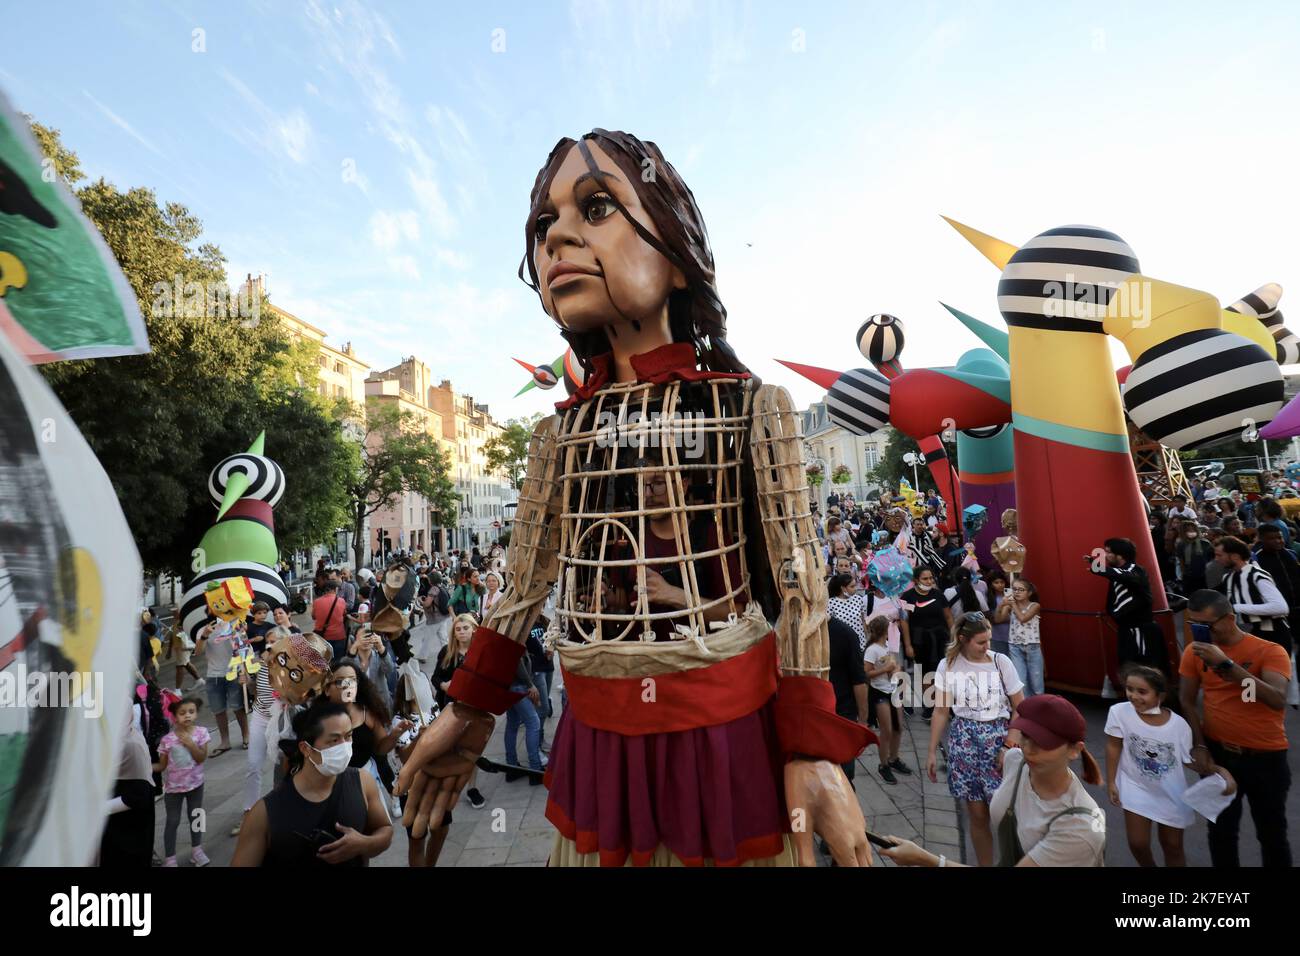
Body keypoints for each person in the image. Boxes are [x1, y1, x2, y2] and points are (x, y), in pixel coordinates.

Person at [883, 694, 1106, 867]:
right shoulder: (1015, 761)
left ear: (1075, 750)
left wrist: (925, 859)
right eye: (1026, 737)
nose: (1029, 749)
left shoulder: (1080, 826)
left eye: (1044, 743)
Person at [1179, 589, 1292, 867]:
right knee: (1221, 833)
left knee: (1272, 834)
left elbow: (1276, 700)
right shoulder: (1195, 652)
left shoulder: (1269, 651)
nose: (1200, 632)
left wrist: (1228, 666)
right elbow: (1186, 699)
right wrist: (1200, 745)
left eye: (1206, 625)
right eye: (1194, 625)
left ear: (1229, 619)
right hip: (1219, 756)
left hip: (1265, 757)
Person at [231, 700, 394, 867]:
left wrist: (364, 844)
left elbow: (385, 830)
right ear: (305, 748)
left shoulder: (363, 781)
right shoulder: (264, 813)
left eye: (348, 736)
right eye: (334, 740)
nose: (344, 747)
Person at [1105, 664, 1232, 867]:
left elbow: (1188, 761)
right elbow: (1113, 746)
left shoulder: (1179, 725)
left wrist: (1219, 771)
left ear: (1160, 696)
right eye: (1130, 689)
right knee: (1137, 843)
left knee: (1172, 846)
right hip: (1134, 786)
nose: (1134, 696)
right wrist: (1112, 781)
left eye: (1142, 691)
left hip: (1171, 794)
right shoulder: (1119, 712)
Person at [928, 612, 1025, 866]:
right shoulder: (948, 665)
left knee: (1006, 815)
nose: (987, 647)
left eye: (989, 641)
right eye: (981, 642)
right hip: (964, 742)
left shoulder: (1000, 662)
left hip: (999, 740)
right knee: (978, 814)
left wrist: (1009, 745)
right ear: (963, 639)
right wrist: (930, 752)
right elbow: (941, 710)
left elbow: (1021, 708)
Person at [1089, 537, 1167, 675]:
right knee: (1128, 669)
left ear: (1120, 555)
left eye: (1108, 552)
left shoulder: (1135, 570)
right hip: (1127, 629)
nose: (1105, 556)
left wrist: (1097, 567)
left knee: (1145, 670)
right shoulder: (1117, 574)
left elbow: (1125, 575)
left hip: (1140, 629)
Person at [431, 614, 486, 808]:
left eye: (465, 628)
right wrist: (445, 685)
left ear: (474, 629)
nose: (462, 632)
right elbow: (435, 678)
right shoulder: (447, 652)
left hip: (476, 707)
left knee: (472, 749)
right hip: (452, 708)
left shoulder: (480, 653)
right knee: (453, 748)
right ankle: (450, 784)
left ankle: (471, 787)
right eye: (458, 629)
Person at [1214, 534, 1293, 656]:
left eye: (1220, 555)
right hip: (1250, 637)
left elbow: (1281, 607)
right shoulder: (1228, 578)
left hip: (1273, 637)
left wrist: (1237, 607)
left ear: (1235, 556)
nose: (1216, 559)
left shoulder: (1257, 575)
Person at [158, 696, 211, 867]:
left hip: (196, 785)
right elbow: (161, 765)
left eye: (191, 712)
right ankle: (170, 859)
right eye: (182, 713)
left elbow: (201, 758)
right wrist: (142, 767)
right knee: (172, 821)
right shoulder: (167, 740)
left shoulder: (201, 733)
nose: (187, 716)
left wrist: (190, 743)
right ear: (174, 716)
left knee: (197, 816)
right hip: (173, 789)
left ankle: (197, 850)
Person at [899, 566, 953, 721]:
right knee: (925, 673)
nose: (929, 581)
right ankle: (929, 707)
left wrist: (954, 638)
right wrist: (908, 645)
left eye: (931, 578)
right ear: (916, 580)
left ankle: (943, 706)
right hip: (919, 641)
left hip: (940, 639)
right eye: (925, 578)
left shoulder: (939, 595)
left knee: (942, 673)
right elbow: (904, 621)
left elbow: (949, 618)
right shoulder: (907, 597)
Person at [862, 616, 910, 784]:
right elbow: (866, 673)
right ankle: (883, 765)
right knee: (886, 731)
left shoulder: (887, 646)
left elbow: (892, 665)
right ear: (884, 631)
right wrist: (885, 669)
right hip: (880, 692)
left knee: (898, 728)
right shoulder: (872, 650)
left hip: (893, 689)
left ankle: (894, 758)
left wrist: (895, 669)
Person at [193, 617, 248, 754]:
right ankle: (225, 741)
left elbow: (244, 649)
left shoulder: (235, 624)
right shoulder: (204, 628)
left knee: (238, 707)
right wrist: (205, 635)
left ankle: (246, 736)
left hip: (234, 672)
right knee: (218, 710)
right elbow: (198, 652)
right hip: (213, 675)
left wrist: (238, 633)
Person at [993, 578, 1044, 697]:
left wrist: (1013, 604)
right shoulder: (1011, 606)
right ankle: (1026, 708)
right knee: (1021, 681)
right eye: (1014, 589)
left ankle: (1040, 709)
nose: (1017, 592)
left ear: (1029, 593)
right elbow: (997, 619)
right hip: (1015, 646)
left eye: (1021, 589)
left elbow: (1023, 618)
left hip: (1032, 646)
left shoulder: (1035, 606)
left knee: (1036, 682)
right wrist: (1001, 605)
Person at [526, 616, 556, 751]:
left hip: (548, 666)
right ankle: (538, 741)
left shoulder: (545, 621)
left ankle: (538, 739)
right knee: (543, 708)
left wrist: (552, 649)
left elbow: (551, 639)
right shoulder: (525, 623)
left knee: (542, 707)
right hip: (536, 670)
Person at [826, 572, 872, 652]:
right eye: (852, 586)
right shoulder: (831, 603)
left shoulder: (858, 599)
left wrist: (868, 639)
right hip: (841, 645)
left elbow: (863, 621)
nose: (855, 588)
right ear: (843, 588)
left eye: (855, 586)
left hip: (860, 644)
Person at [313, 579, 348, 661]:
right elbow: (344, 614)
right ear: (335, 589)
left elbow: (314, 616)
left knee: (324, 662)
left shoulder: (316, 602)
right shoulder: (341, 601)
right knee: (338, 661)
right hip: (338, 636)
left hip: (322, 637)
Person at [1175, 522, 1214, 594]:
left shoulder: (1205, 543)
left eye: (1193, 530)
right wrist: (1184, 575)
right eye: (1188, 530)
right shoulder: (1181, 545)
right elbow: (1181, 561)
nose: (1191, 532)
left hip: (1204, 575)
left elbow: (1211, 558)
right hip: (1189, 576)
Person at [986, 572, 1012, 656]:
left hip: (1013, 636)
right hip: (996, 636)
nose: (1000, 585)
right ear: (991, 584)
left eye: (1002, 582)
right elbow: (996, 620)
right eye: (996, 582)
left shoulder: (1011, 597)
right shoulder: (989, 599)